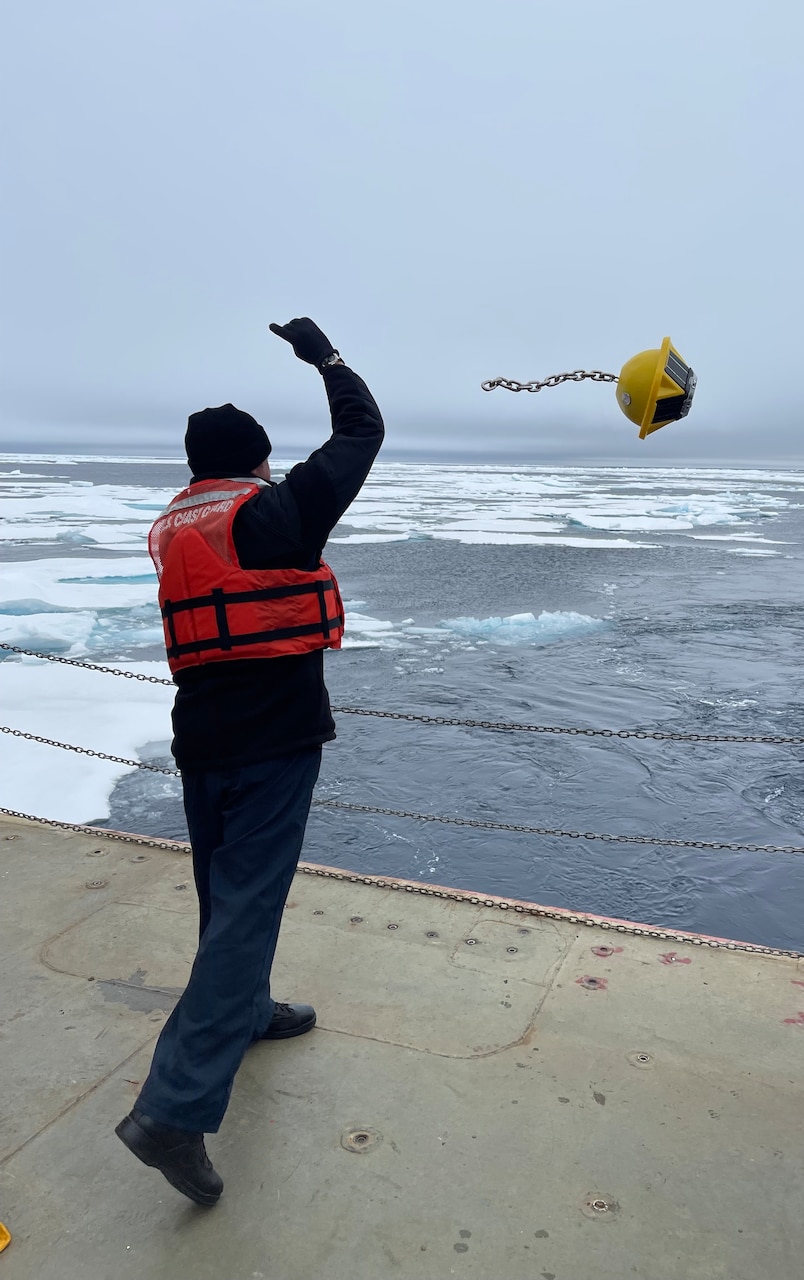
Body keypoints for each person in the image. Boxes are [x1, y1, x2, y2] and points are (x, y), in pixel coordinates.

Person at [115, 317, 384, 1205]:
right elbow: (361, 433)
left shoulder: (175, 523)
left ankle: (252, 1007)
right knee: (247, 909)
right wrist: (326, 357)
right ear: (259, 461)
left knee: (223, 898)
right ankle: (174, 1111)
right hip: (273, 744)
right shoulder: (271, 514)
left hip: (202, 739)